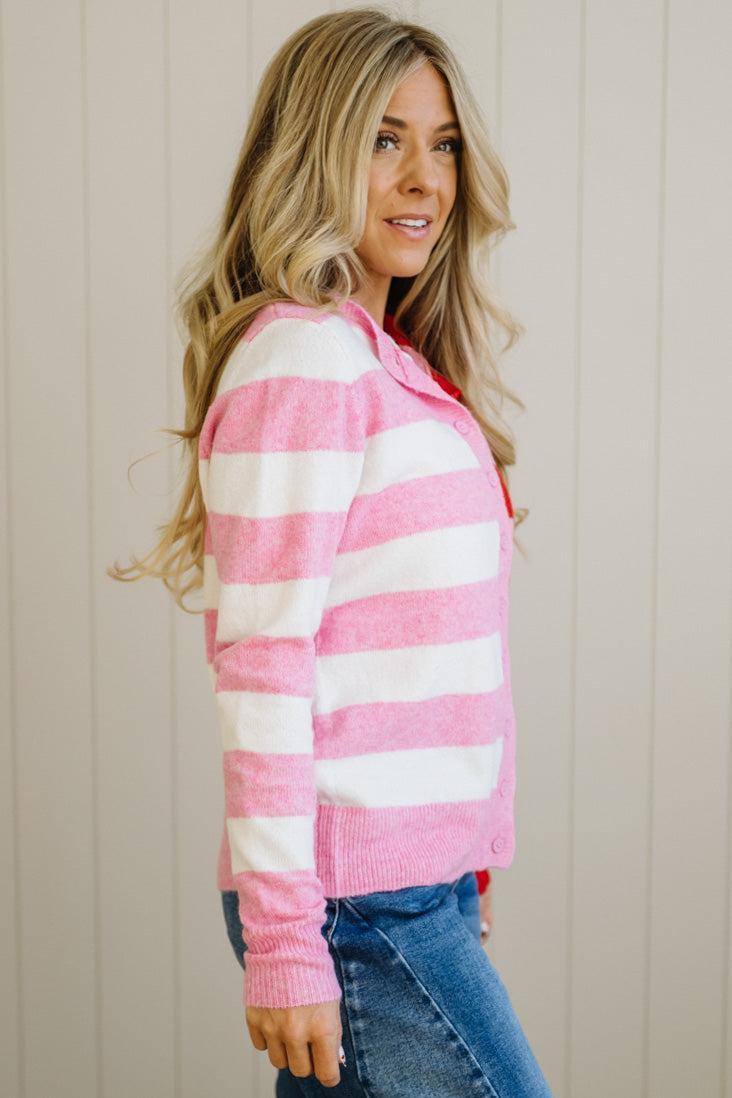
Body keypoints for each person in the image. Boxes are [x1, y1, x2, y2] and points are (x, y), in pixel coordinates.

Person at [108, 7, 552, 1096]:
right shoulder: (304, 363)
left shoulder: (385, 364)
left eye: (443, 144)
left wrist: (459, 864)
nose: (424, 179)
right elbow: (265, 666)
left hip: (410, 892)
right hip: (357, 904)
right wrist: (286, 941)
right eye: (384, 140)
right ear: (315, 153)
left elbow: (413, 663)